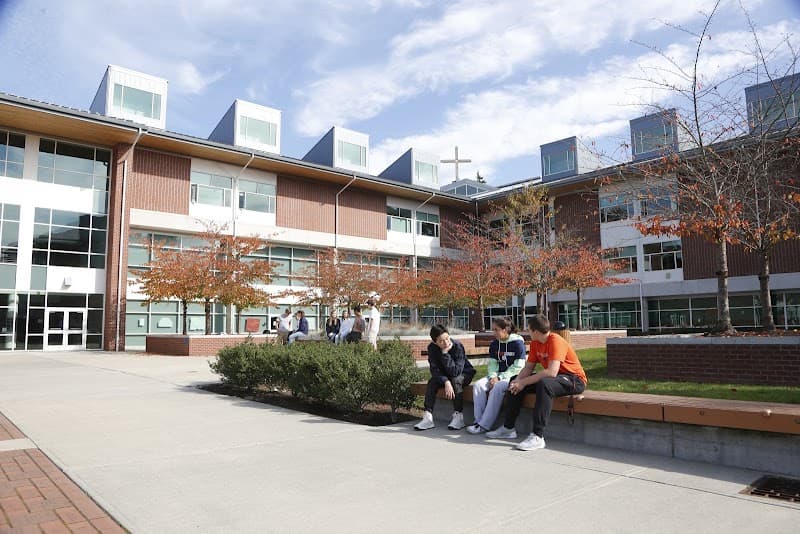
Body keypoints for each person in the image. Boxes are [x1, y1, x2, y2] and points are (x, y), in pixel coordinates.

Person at [486, 314, 587, 451]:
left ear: (536, 331)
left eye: (528, 329)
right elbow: (528, 368)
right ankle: (508, 429)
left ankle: (537, 436)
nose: (527, 332)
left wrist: (524, 382)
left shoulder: (555, 341)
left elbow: (551, 372)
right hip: (555, 378)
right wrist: (517, 381)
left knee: (544, 384)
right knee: (514, 381)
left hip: (573, 379)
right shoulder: (535, 343)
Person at [466, 317, 526, 434]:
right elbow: (492, 364)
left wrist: (500, 378)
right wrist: (493, 376)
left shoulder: (518, 343)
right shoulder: (494, 344)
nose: (493, 333)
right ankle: (478, 422)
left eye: (496, 330)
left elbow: (518, 367)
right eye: (493, 330)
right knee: (478, 385)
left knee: (497, 388)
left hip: (513, 377)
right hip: (496, 376)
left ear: (505, 329)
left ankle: (485, 425)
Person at [414, 324, 475, 431]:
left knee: (455, 381)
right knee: (432, 382)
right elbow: (435, 370)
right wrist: (446, 382)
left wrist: (445, 353)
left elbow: (456, 372)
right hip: (446, 376)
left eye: (447, 338)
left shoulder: (457, 346)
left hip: (464, 373)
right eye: (441, 341)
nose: (446, 342)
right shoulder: (432, 348)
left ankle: (458, 416)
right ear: (435, 342)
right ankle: (428, 417)